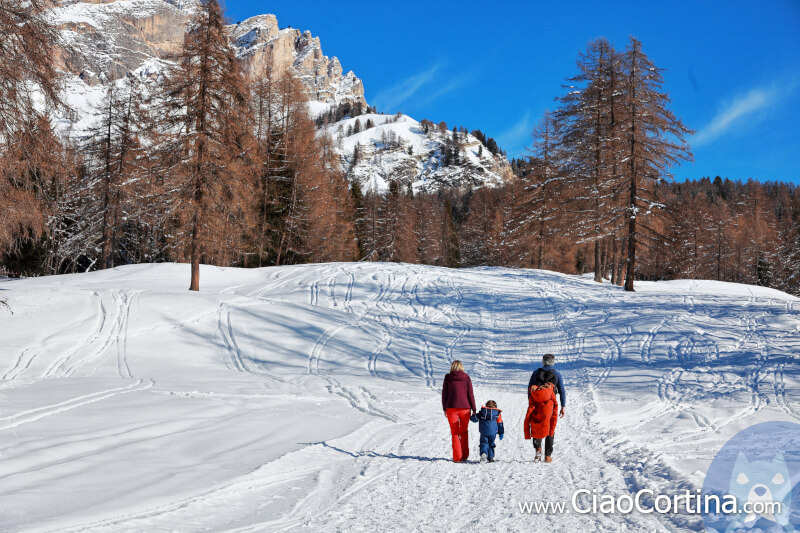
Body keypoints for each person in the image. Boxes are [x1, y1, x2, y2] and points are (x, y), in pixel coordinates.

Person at [441, 360, 476, 462]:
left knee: (455, 433)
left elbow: (444, 395)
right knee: (464, 432)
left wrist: (444, 408)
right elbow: (470, 394)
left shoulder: (448, 378)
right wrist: (474, 409)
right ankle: (465, 455)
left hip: (451, 408)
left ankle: (457, 457)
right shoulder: (466, 378)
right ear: (461, 367)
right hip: (465, 409)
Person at [524, 369, 559, 462]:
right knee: (550, 430)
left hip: (536, 409)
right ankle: (548, 455)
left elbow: (530, 397)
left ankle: (538, 450)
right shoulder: (551, 390)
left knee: (536, 429)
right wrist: (562, 406)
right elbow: (556, 402)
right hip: (549, 412)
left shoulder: (535, 376)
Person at [528, 353, 565, 418]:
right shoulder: (556, 374)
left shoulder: (536, 373)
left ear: (543, 362)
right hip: (550, 404)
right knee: (549, 424)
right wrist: (563, 406)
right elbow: (562, 391)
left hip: (537, 403)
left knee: (536, 424)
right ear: (553, 362)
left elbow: (530, 389)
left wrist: (531, 404)